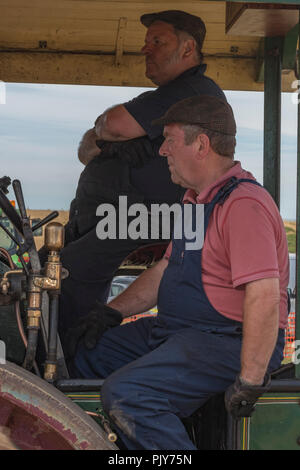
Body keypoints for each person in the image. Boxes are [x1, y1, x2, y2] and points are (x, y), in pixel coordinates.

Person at [67, 95, 289, 450]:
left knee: (129, 395)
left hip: (228, 341)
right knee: (87, 355)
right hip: (179, 331)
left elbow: (263, 295)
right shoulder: (194, 200)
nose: (162, 151)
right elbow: (167, 269)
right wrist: (111, 312)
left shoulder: (243, 205)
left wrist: (250, 379)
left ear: (200, 145)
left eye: (169, 140)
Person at [57, 10, 227, 349]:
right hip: (126, 217)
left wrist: (109, 135)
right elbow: (87, 148)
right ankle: (74, 354)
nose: (145, 49)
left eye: (157, 42)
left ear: (188, 48)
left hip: (149, 217)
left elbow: (113, 124)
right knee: (67, 272)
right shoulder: (163, 100)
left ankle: (70, 363)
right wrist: (108, 143)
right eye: (147, 41)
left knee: (68, 275)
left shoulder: (191, 90)